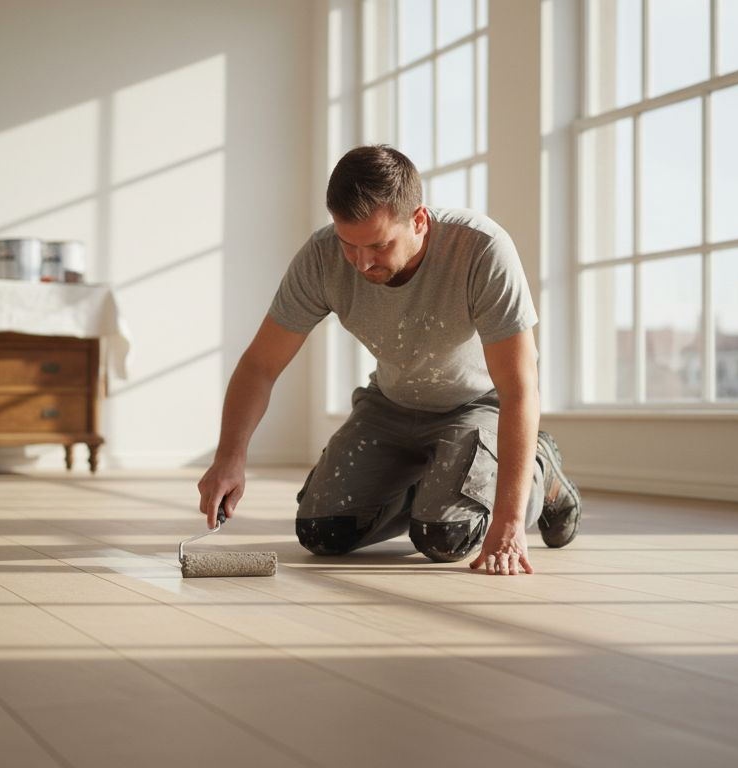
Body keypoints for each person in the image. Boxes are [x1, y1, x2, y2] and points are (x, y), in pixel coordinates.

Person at [197, 145, 581, 576]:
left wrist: (510, 523)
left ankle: (539, 470)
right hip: (390, 406)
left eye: (378, 246)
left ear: (418, 220)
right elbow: (260, 365)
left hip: (477, 406)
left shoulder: (482, 250)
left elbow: (519, 388)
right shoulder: (322, 257)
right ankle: (441, 476)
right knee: (323, 533)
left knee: (447, 537)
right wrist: (230, 455)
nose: (361, 263)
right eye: (349, 245)